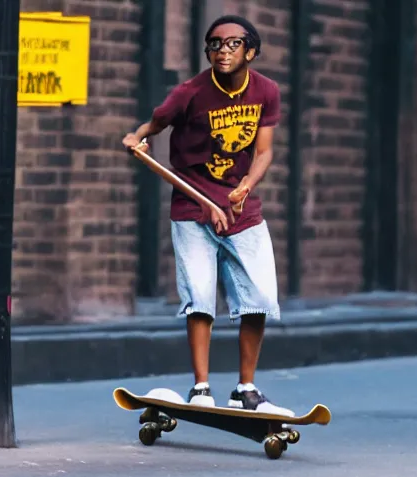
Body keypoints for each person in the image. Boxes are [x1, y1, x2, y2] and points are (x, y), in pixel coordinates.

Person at [122, 15, 293, 416]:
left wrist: (246, 186)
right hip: (192, 204)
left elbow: (264, 150)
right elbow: (156, 122)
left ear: (251, 51)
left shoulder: (266, 91)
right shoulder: (190, 93)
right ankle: (201, 387)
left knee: (260, 299)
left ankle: (245, 388)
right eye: (214, 44)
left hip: (242, 209)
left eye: (233, 44)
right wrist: (139, 136)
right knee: (200, 296)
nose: (222, 51)